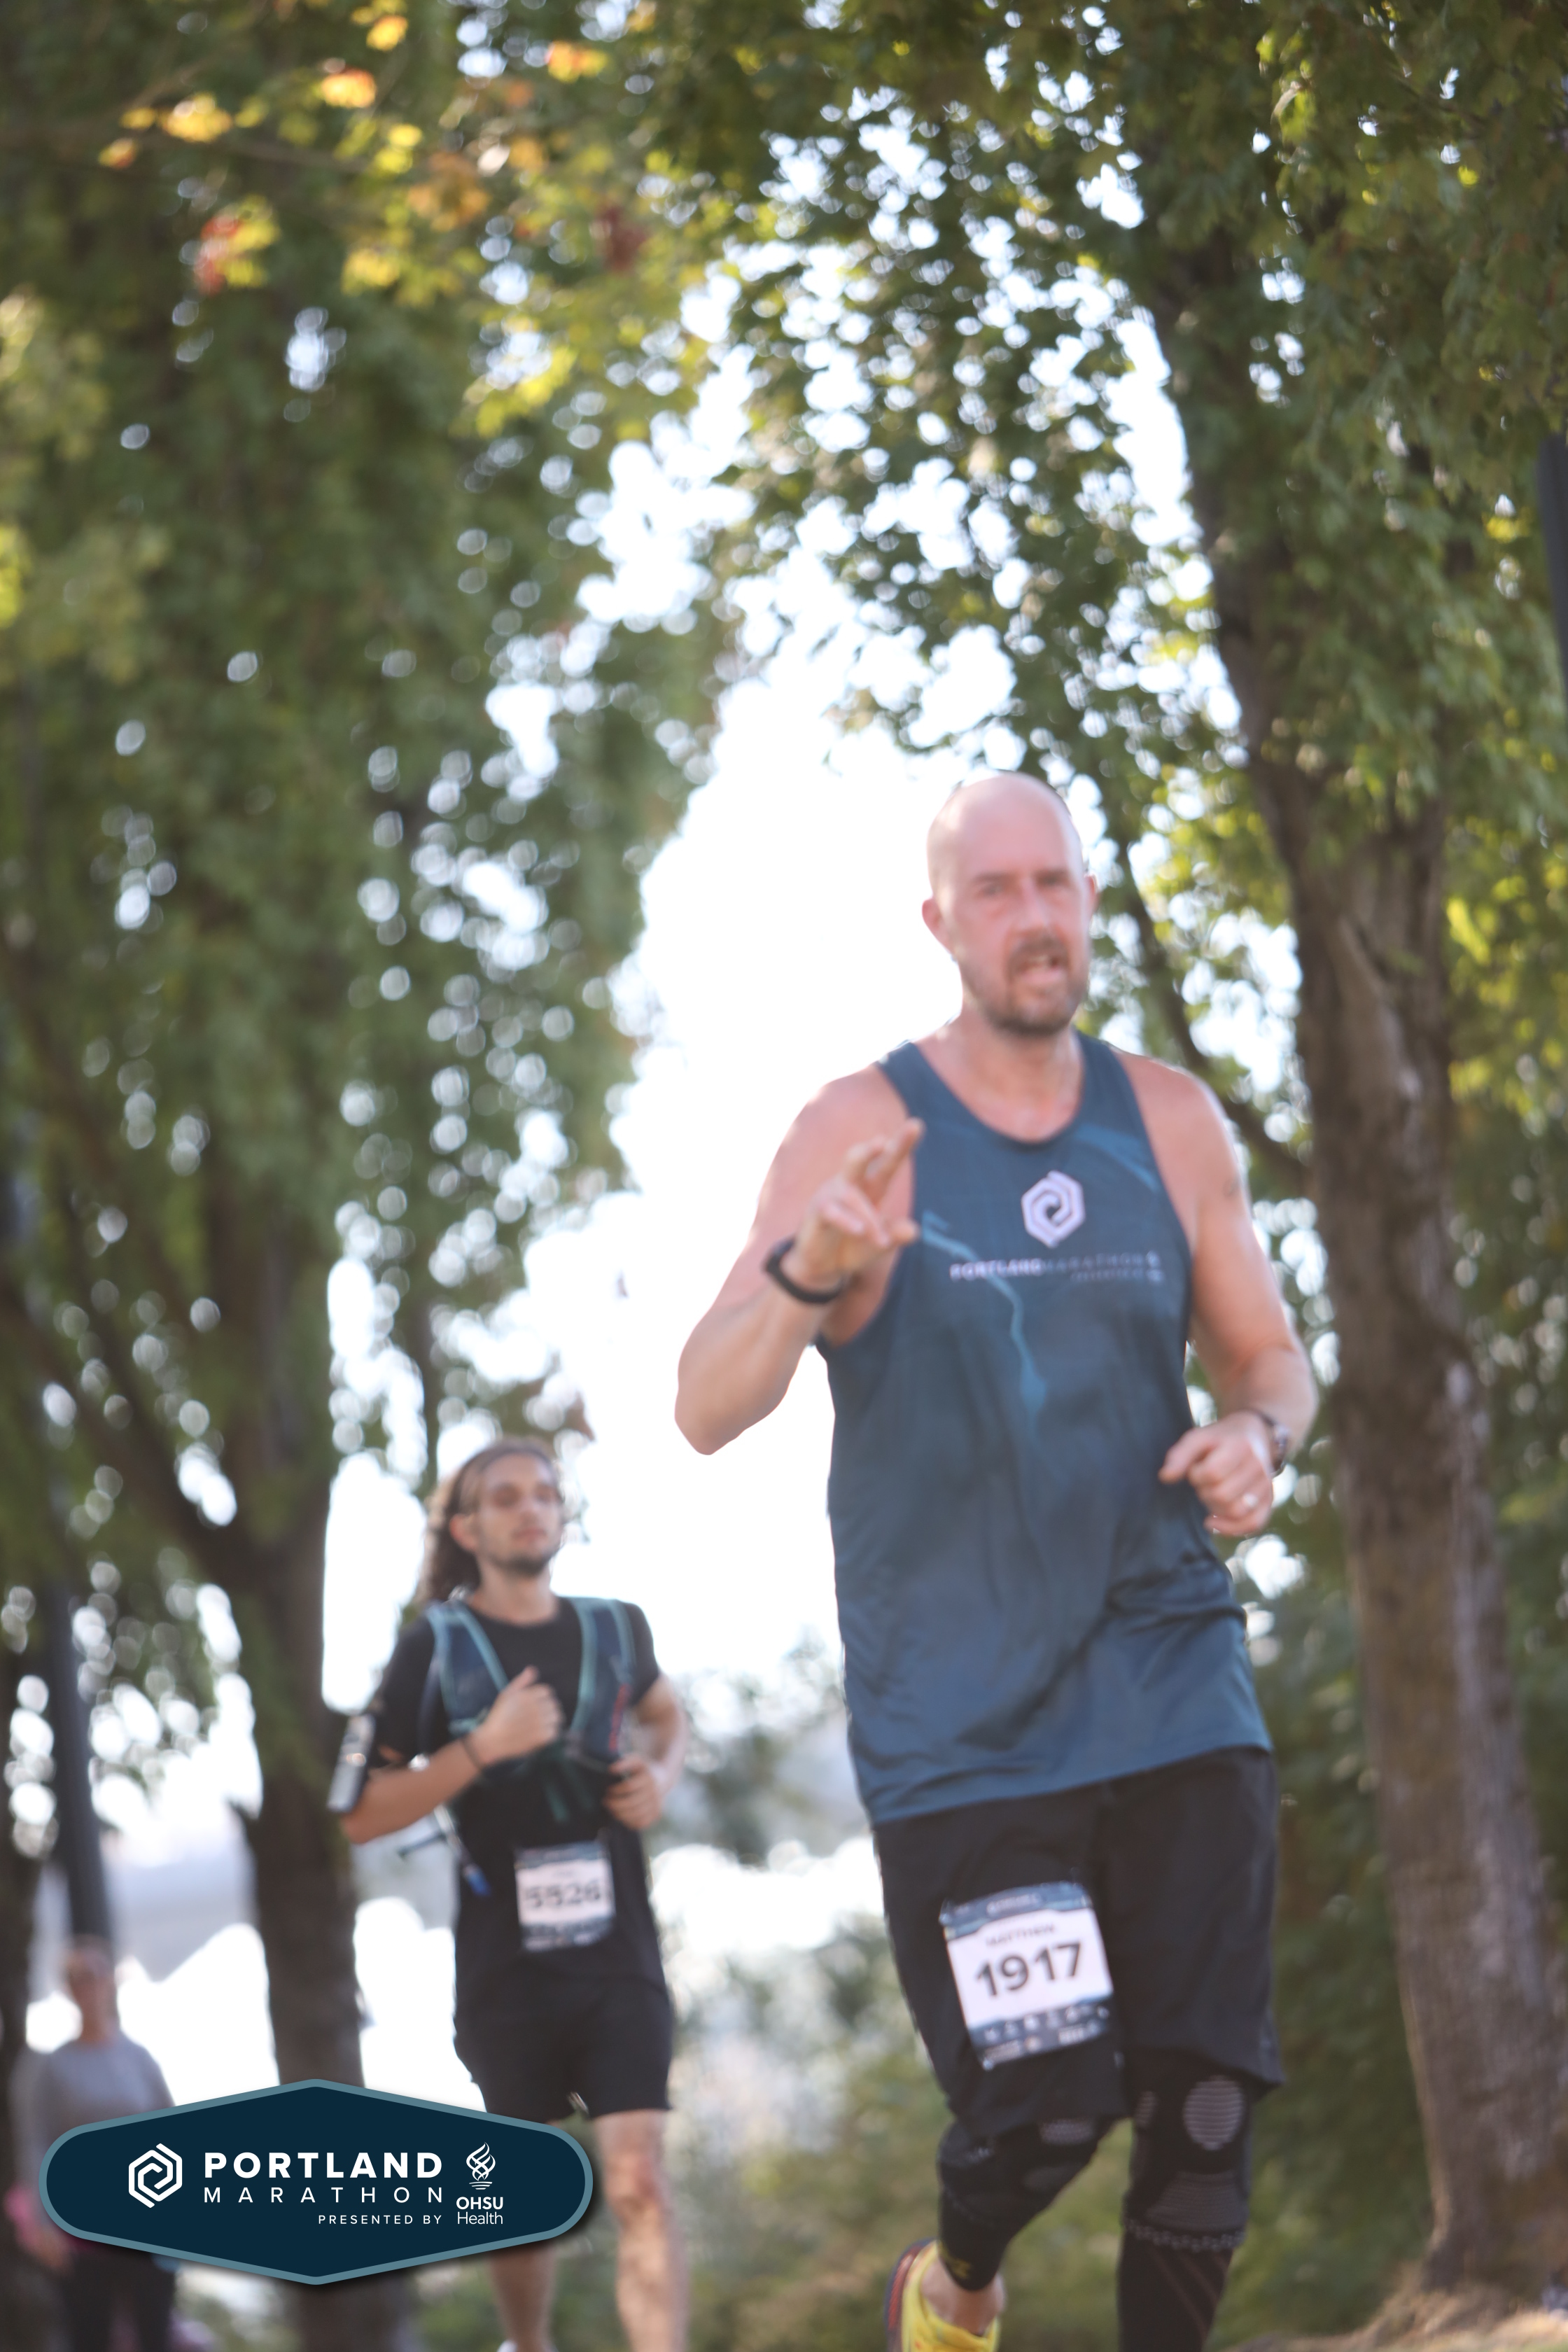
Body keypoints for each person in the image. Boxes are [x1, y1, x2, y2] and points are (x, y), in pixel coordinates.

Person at [675, 772, 1316, 2352]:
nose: (1035, 917)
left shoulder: (1168, 1120)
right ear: (940, 923)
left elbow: (1269, 1359)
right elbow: (705, 1406)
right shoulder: (862, 1131)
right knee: (1043, 2116)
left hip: (1168, 1670)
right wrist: (808, 1274)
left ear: (1087, 900)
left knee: (1207, 2107)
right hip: (963, 1728)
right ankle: (953, 2288)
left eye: (1056, 885)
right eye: (997, 890)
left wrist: (1258, 1435)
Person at [342, 1437, 689, 2352]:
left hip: (619, 1955)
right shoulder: (435, 1646)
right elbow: (360, 1813)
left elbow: (666, 1716)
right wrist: (480, 1748)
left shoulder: (618, 1627)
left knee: (638, 2179)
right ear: (467, 1528)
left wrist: (661, 1775)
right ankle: (527, 2345)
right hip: (506, 1970)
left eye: (544, 1493)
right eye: (505, 1497)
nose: (531, 1508)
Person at [12, 1937, 178, 2352]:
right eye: (76, 1977)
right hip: (81, 2227)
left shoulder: (139, 2059)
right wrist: (42, 2224)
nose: (87, 1985)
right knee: (89, 2334)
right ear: (67, 1988)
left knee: (155, 2332)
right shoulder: (51, 2067)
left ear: (110, 1981)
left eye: (93, 1975)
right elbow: (35, 2143)